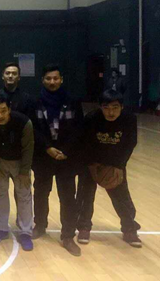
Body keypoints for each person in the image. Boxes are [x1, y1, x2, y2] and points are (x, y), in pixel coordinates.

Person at [75, 90, 141, 247]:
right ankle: (84, 227)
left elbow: (130, 143)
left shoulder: (129, 119)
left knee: (122, 198)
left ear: (122, 107)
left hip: (115, 163)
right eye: (106, 108)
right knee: (85, 196)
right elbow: (84, 144)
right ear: (100, 107)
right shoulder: (91, 118)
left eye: (115, 108)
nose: (111, 112)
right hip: (91, 163)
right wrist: (92, 165)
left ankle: (129, 229)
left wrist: (118, 166)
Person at [32, 64, 84, 256]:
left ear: (61, 79)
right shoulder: (35, 101)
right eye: (48, 78)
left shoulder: (73, 101)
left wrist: (66, 151)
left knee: (68, 197)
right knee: (40, 193)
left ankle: (68, 235)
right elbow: (33, 128)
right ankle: (40, 225)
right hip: (43, 156)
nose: (52, 82)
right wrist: (47, 147)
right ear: (42, 80)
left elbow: (79, 128)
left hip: (66, 158)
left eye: (55, 78)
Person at [0, 92, 34, 251]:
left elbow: (28, 148)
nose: (0, 115)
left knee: (24, 194)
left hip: (20, 161)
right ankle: (1, 228)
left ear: (9, 109)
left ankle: (25, 232)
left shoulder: (24, 122)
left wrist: (24, 171)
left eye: (3, 110)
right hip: (0, 160)